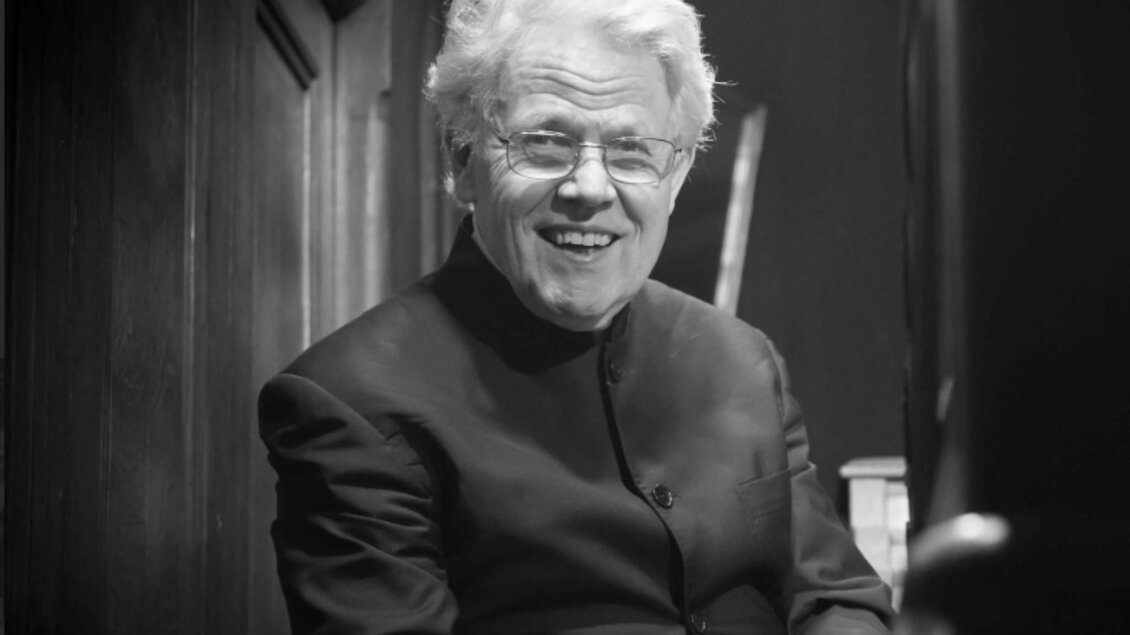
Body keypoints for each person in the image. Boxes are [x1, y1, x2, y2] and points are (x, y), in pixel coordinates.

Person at [257, 0, 895, 632]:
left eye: (632, 151)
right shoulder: (348, 402)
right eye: (544, 143)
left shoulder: (744, 360)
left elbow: (841, 599)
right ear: (461, 159)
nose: (590, 188)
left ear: (674, 176)